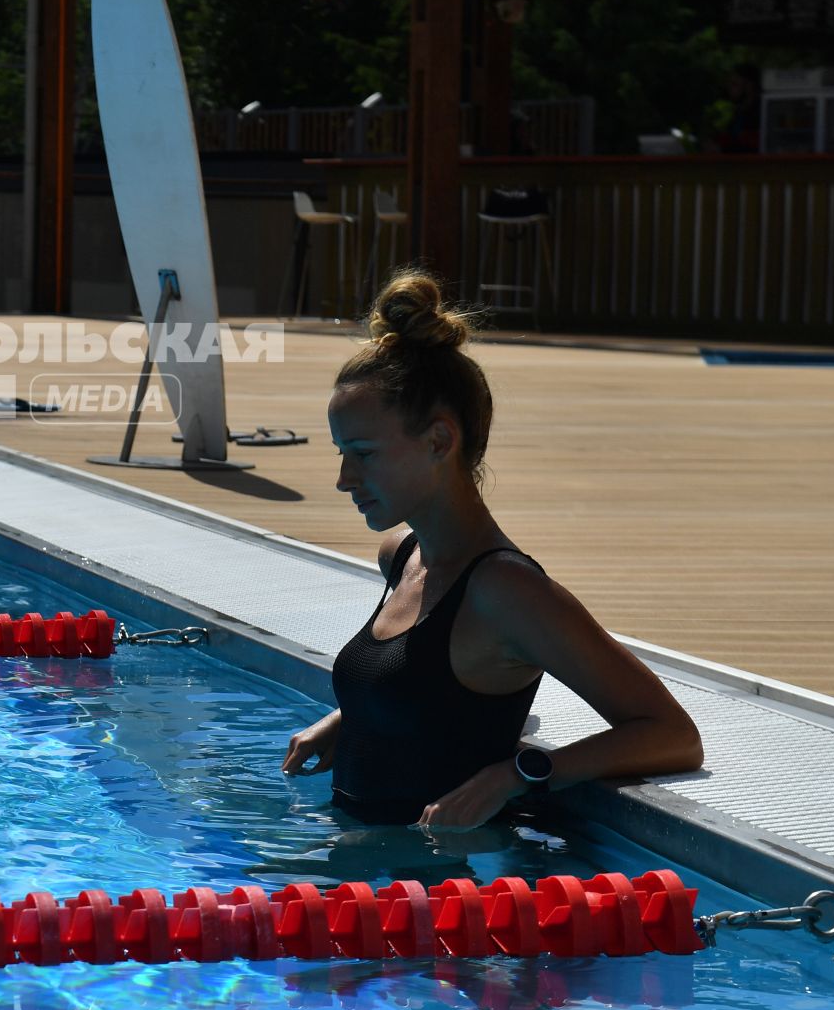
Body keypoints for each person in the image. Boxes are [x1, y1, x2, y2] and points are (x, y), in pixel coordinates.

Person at [282, 270, 703, 829]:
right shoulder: (403, 554)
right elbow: (432, 694)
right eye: (341, 452)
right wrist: (351, 716)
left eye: (362, 453)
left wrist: (517, 774)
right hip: (361, 877)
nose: (343, 478)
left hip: (442, 894)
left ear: (439, 442)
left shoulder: (506, 591)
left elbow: (672, 735)